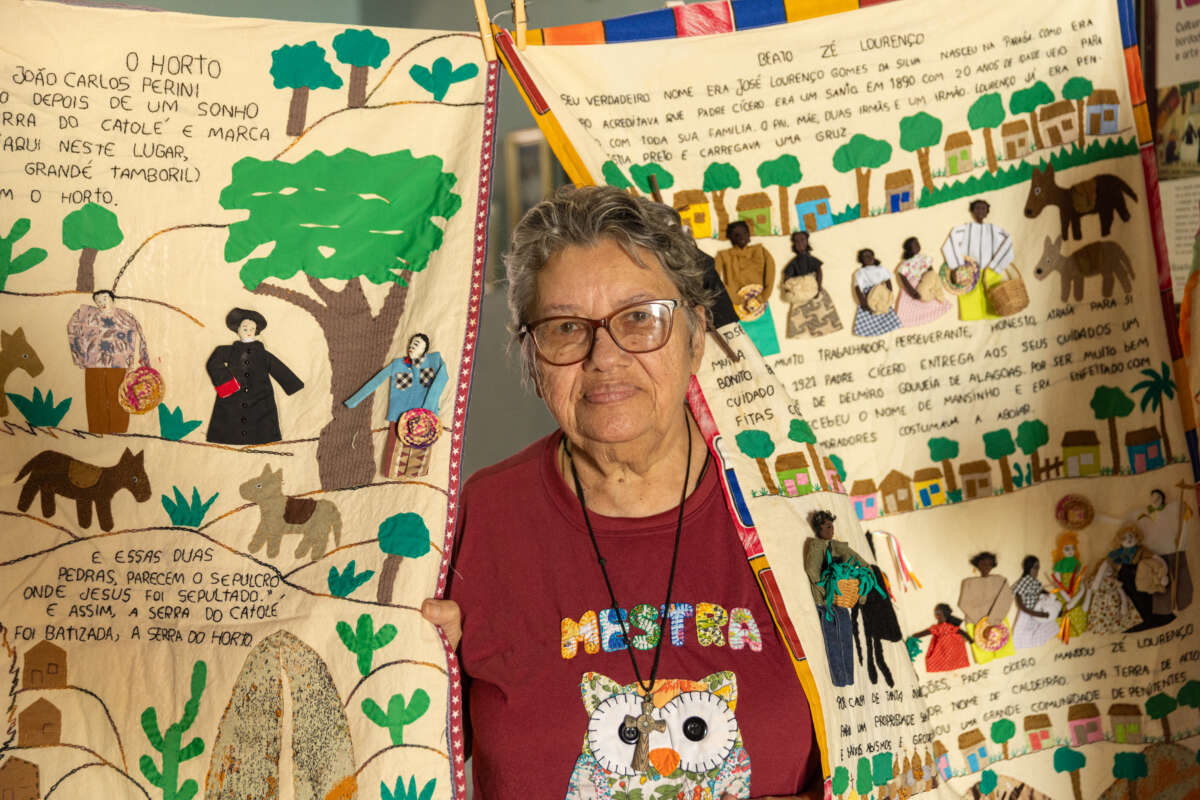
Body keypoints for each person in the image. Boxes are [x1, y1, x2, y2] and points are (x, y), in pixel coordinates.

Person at [423, 186, 820, 799]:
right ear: (532, 359)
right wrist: (419, 675)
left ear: (696, 335)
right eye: (566, 327)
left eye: (639, 317)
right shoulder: (471, 519)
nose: (604, 357)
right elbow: (408, 757)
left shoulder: (792, 508)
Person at [205, 308, 304, 445]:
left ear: (256, 331)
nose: (248, 331)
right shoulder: (229, 351)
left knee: (262, 419)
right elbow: (213, 362)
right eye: (245, 328)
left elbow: (277, 367)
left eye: (252, 328)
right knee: (228, 418)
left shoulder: (263, 354)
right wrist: (227, 384)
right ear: (237, 329)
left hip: (260, 396)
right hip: (232, 396)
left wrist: (292, 384)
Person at [67, 289, 149, 434]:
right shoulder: (87, 314)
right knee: (95, 396)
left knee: (118, 396)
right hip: (93, 363)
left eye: (105, 299)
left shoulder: (125, 316)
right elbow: (71, 328)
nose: (102, 303)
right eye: (98, 301)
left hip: (119, 362)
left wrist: (142, 358)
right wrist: (79, 355)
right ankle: (97, 429)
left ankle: (119, 430)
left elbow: (139, 333)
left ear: (112, 299)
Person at [802, 510, 869, 687]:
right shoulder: (817, 546)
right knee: (834, 641)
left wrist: (860, 593)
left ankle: (848, 678)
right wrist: (827, 591)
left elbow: (861, 563)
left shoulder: (838, 547)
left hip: (840, 600)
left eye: (832, 526)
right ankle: (840, 679)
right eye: (827, 527)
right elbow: (812, 570)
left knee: (846, 639)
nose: (831, 530)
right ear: (818, 529)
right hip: (826, 602)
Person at [941, 199, 1014, 321]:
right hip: (969, 273)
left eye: (983, 208)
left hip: (990, 271)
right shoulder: (965, 229)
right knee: (970, 298)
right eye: (977, 208)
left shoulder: (995, 230)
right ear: (972, 211)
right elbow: (949, 244)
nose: (980, 211)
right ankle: (972, 315)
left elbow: (1008, 243)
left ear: (987, 212)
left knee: (993, 296)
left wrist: (997, 266)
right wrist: (958, 266)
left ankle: (992, 312)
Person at [779, 232, 841, 339]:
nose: (800, 243)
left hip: (813, 286)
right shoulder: (794, 262)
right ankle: (805, 333)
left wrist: (819, 286)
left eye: (802, 240)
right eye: (797, 241)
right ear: (794, 244)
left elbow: (819, 271)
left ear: (807, 241)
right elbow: (787, 276)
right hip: (800, 290)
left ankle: (825, 328)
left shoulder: (811, 259)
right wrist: (788, 287)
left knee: (821, 309)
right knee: (800, 314)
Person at [957, 551, 1015, 664]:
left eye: (989, 564)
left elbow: (1006, 598)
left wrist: (993, 620)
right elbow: (963, 603)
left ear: (993, 565)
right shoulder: (968, 583)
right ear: (977, 564)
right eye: (983, 563)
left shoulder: (1000, 580)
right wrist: (983, 622)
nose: (986, 567)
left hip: (999, 620)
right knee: (983, 653)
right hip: (975, 622)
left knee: (1001, 646)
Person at [893, 237, 951, 328]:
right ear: (909, 249)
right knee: (911, 304)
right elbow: (903, 278)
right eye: (914, 245)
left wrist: (933, 280)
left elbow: (930, 270)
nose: (917, 246)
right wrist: (911, 291)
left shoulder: (923, 258)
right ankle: (911, 319)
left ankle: (935, 302)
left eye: (918, 244)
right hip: (913, 284)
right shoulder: (905, 263)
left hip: (925, 281)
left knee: (931, 297)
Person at [1009, 556, 1059, 650]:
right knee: (1018, 637)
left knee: (1042, 628)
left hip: (1036, 609)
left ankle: (1033, 642)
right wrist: (1034, 613)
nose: (1037, 571)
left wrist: (1052, 595)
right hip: (1027, 612)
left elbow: (1040, 590)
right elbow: (1020, 603)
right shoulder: (1024, 581)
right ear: (1028, 568)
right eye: (1035, 568)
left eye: (1038, 568)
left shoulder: (1034, 581)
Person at [851, 248, 901, 337]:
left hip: (881, 293)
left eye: (870, 256)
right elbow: (857, 287)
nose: (869, 258)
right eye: (865, 257)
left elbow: (888, 280)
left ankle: (887, 326)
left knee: (884, 309)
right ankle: (868, 331)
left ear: (874, 257)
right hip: (868, 295)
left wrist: (889, 293)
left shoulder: (881, 269)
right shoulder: (860, 272)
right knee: (868, 313)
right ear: (861, 260)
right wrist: (862, 301)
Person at [909, 603, 972, 672]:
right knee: (956, 659)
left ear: (941, 614)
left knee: (936, 659)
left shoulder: (938, 628)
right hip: (952, 651)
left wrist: (915, 636)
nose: (935, 613)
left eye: (937, 611)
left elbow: (925, 632)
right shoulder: (950, 627)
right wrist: (971, 640)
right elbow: (963, 633)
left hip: (943, 650)